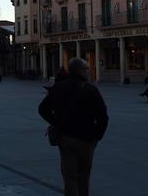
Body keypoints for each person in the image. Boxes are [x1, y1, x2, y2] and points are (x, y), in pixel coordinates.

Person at [39, 58, 109, 196]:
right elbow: (103, 117)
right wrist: (97, 136)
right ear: (79, 71)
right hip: (86, 139)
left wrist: (56, 122)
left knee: (69, 177)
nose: (88, 71)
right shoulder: (90, 90)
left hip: (65, 138)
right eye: (86, 68)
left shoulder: (58, 87)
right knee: (83, 176)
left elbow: (42, 109)